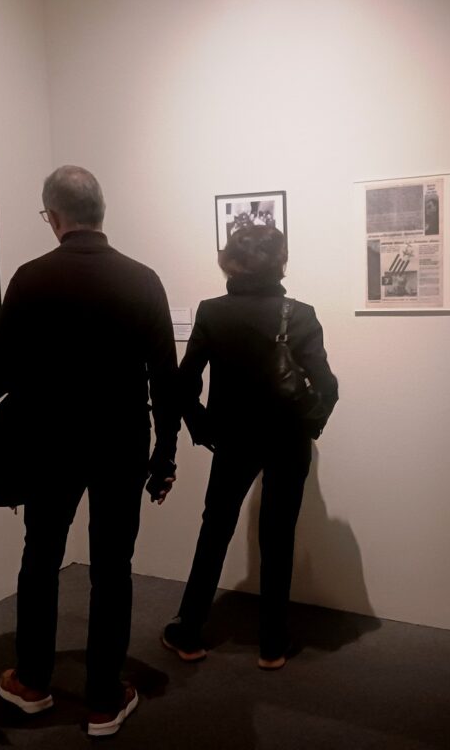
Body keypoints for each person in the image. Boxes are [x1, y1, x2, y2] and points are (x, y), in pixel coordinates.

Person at [0, 166, 179, 737]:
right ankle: (104, 698)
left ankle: (32, 681)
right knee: (113, 566)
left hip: (49, 443)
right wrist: (165, 457)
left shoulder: (32, 277)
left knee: (40, 557)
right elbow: (165, 379)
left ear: (53, 217)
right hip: (121, 443)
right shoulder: (144, 280)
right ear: (101, 211)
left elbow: (4, 362)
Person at [161, 225, 338, 670]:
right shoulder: (300, 314)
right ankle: (273, 645)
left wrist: (202, 427)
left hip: (233, 438)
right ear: (281, 261)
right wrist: (308, 426)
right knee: (278, 536)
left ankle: (189, 632)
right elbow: (327, 386)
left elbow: (185, 383)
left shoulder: (213, 312)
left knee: (215, 529)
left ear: (230, 262)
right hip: (288, 440)